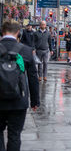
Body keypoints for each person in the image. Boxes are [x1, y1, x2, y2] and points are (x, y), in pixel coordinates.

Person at [0, 20, 40, 151]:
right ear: (19, 33)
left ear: (2, 32)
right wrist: (35, 101)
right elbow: (33, 78)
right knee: (15, 135)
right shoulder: (27, 51)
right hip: (19, 100)